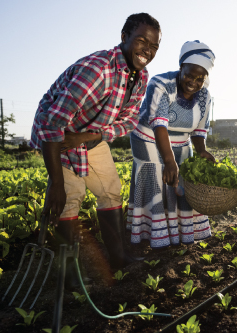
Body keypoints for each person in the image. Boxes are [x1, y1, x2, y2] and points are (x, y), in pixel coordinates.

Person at [30, 13, 161, 287]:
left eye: (154, 47)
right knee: (68, 197)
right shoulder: (98, 69)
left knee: (111, 189)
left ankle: (118, 257)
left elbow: (128, 121)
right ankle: (69, 276)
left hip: (88, 137)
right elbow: (52, 123)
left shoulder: (141, 76)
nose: (147, 51)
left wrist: (89, 136)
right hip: (60, 137)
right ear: (124, 38)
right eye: (141, 41)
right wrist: (55, 181)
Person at [127, 40, 215, 249]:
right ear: (180, 67)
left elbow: (199, 130)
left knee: (181, 185)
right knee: (155, 180)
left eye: (200, 78)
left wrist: (201, 151)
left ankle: (177, 237)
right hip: (148, 137)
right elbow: (159, 124)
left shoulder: (205, 96)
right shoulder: (160, 84)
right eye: (189, 75)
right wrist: (168, 160)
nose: (193, 81)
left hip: (181, 141)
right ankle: (149, 238)